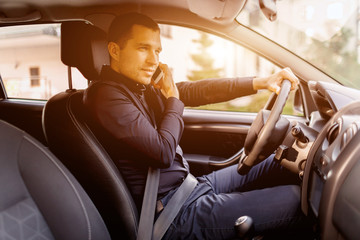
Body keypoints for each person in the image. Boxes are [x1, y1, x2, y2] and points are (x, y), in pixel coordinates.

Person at [84, 12, 311, 239]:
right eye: (143, 48)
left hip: (190, 187)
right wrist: (173, 99)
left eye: (157, 51)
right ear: (114, 50)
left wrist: (261, 82)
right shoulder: (107, 98)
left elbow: (197, 90)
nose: (153, 60)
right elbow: (163, 153)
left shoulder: (137, 88)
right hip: (173, 214)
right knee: (294, 199)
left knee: (283, 159)